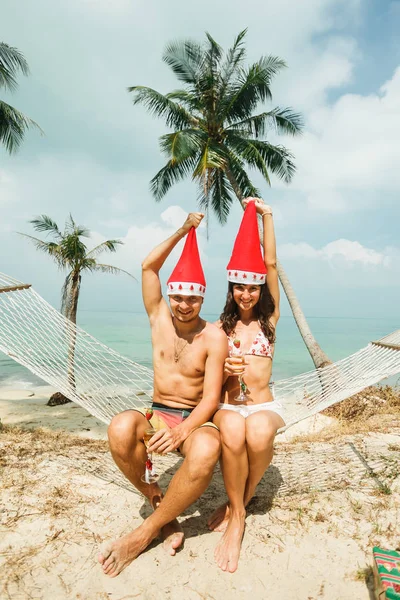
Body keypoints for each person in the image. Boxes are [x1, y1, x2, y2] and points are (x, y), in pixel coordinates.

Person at [98, 212, 228, 577]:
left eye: (192, 298)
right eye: (178, 296)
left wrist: (183, 432)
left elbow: (211, 398)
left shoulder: (213, 337)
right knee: (120, 427)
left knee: (205, 450)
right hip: (157, 412)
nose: (184, 304)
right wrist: (184, 230)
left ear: (202, 299)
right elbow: (148, 266)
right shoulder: (159, 318)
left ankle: (146, 531)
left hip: (194, 417)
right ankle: (156, 498)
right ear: (169, 294)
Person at [208, 197, 285, 573]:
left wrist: (265, 214)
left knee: (257, 434)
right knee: (236, 431)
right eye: (240, 287)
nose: (246, 294)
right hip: (228, 406)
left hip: (264, 405)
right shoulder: (220, 328)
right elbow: (212, 378)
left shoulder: (270, 318)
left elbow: (270, 263)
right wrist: (224, 367)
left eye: (252, 288)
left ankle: (236, 504)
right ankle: (239, 516)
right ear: (232, 288)